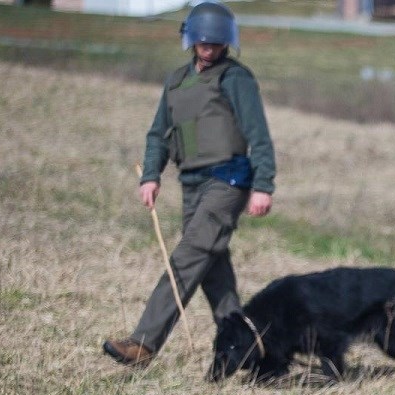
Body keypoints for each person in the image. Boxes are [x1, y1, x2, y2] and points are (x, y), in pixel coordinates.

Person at [104, 1, 275, 367]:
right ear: (191, 40)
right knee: (213, 270)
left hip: (228, 181)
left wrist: (263, 185)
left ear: (226, 42)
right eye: (202, 41)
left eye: (215, 42)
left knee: (186, 258)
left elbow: (258, 134)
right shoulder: (177, 81)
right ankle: (247, 347)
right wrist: (151, 175)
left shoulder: (236, 79)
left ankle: (143, 344)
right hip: (192, 184)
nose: (208, 47)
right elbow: (158, 135)